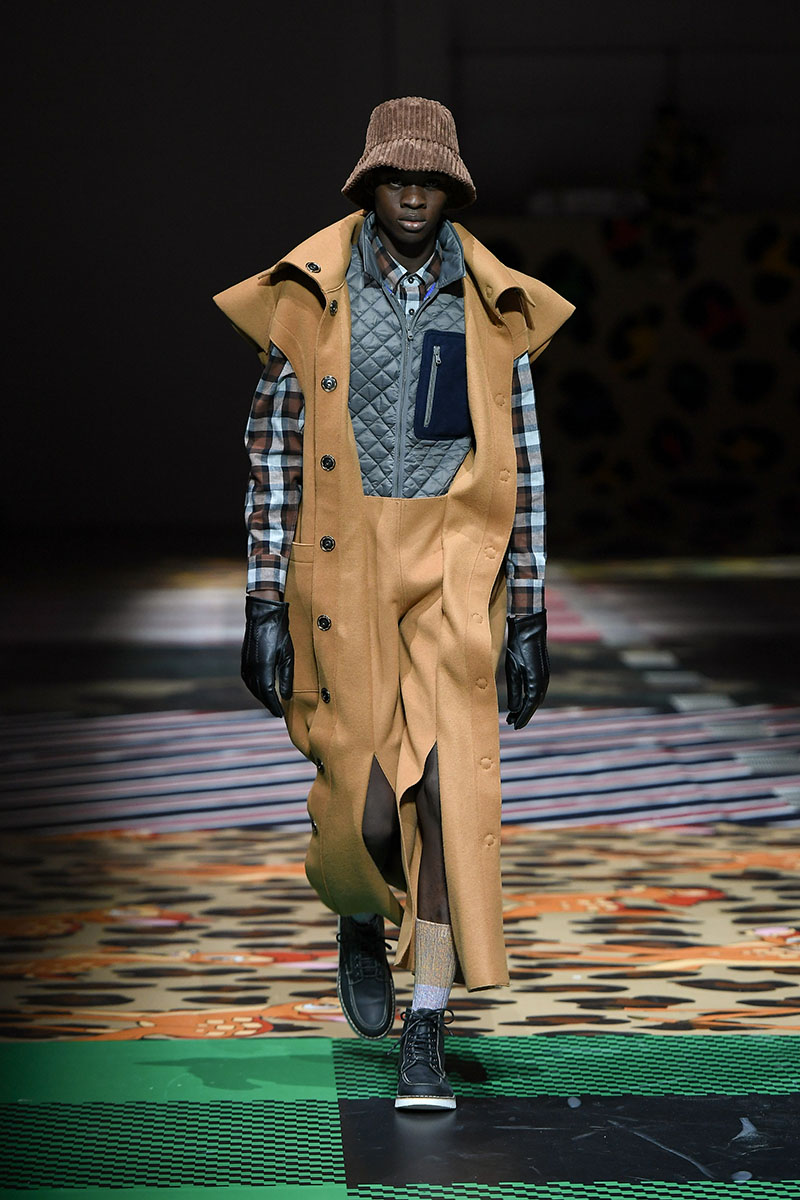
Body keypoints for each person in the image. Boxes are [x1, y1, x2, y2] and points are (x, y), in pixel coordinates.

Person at [214, 97, 573, 1110]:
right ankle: (358, 907)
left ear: (452, 192)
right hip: (345, 562)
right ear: (370, 185)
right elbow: (273, 455)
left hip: (454, 563)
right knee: (366, 808)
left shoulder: (491, 305)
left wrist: (529, 608)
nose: (413, 196)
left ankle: (428, 1020)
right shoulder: (312, 294)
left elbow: (524, 464)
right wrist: (262, 599)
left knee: (449, 799)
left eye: (431, 182)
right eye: (396, 179)